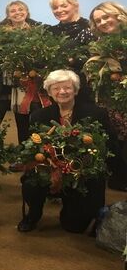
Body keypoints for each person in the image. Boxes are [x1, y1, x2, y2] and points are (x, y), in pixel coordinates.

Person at [17, 70, 116, 233]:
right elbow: (32, 146)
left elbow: (110, 144)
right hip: (50, 168)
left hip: (83, 172)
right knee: (31, 181)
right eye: (56, 88)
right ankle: (33, 214)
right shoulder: (38, 116)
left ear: (75, 90)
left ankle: (75, 209)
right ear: (49, 92)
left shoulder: (96, 114)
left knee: (74, 227)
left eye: (67, 87)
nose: (62, 92)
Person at [0, 0, 44, 143]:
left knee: (23, 122)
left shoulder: (37, 29)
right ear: (8, 15)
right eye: (13, 11)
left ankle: (24, 157)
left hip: (24, 85)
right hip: (1, 83)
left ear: (27, 12)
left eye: (20, 9)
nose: (17, 13)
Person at [87, 1, 127, 190]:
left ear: (117, 15)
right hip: (110, 101)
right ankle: (120, 178)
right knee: (115, 139)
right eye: (98, 20)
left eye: (106, 17)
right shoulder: (99, 45)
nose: (102, 22)